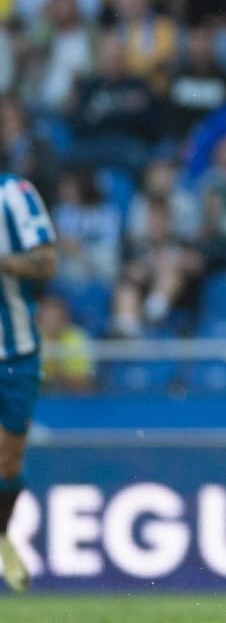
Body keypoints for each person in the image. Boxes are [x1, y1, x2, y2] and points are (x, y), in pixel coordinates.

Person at [0, 171, 58, 593]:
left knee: (8, 464)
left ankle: (2, 535)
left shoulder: (15, 195)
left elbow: (47, 262)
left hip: (14, 352)